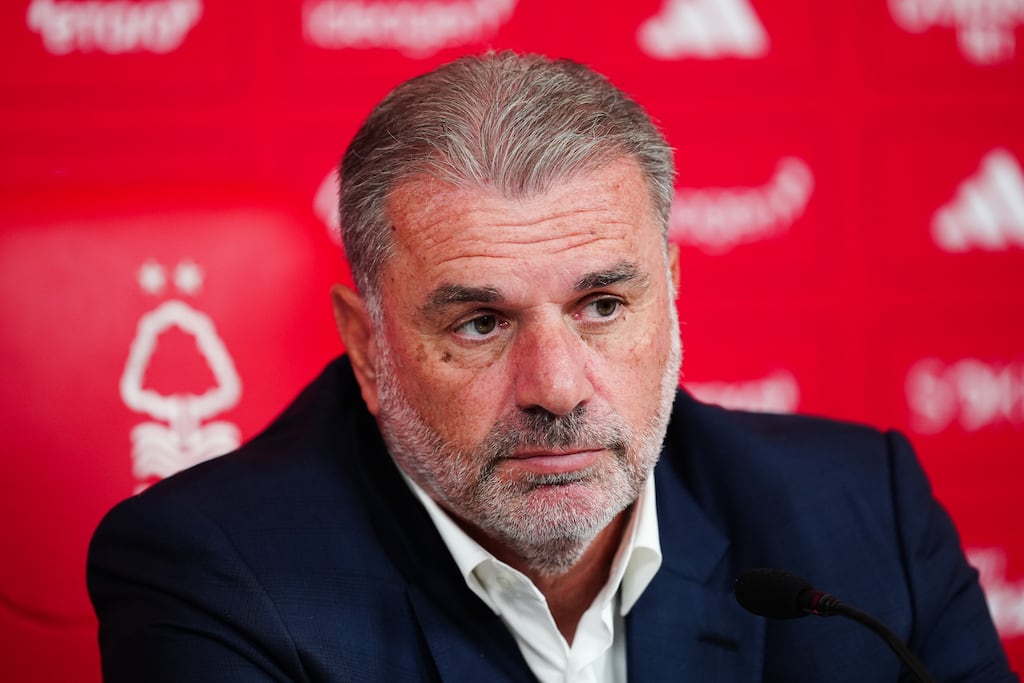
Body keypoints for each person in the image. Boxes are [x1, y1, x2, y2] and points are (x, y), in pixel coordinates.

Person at [87, 51, 1016, 682]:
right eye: (482, 323)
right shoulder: (214, 573)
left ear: (671, 290)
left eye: (603, 306)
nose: (558, 387)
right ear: (369, 346)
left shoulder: (863, 516)